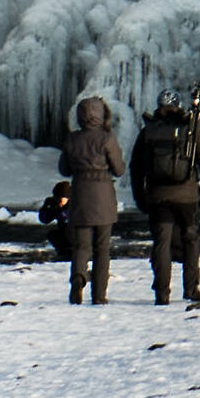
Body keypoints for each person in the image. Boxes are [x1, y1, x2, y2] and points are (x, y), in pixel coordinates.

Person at [131, 88, 200, 307]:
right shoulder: (190, 129)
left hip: (158, 197)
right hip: (187, 197)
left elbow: (136, 166)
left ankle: (162, 292)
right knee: (190, 240)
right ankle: (191, 288)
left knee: (162, 243)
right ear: (178, 106)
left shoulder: (148, 131)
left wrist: (140, 197)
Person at [60, 95, 125, 304]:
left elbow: (64, 169)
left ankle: (78, 278)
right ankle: (99, 295)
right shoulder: (107, 138)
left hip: (80, 196)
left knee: (81, 247)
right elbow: (119, 169)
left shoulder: (72, 139)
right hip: (104, 197)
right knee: (102, 248)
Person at [39, 180, 72, 262]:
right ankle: (63, 253)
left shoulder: (77, 204)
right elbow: (44, 220)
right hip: (64, 234)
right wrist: (47, 208)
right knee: (53, 234)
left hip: (80, 235)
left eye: (62, 198)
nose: (60, 201)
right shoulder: (55, 205)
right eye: (58, 198)